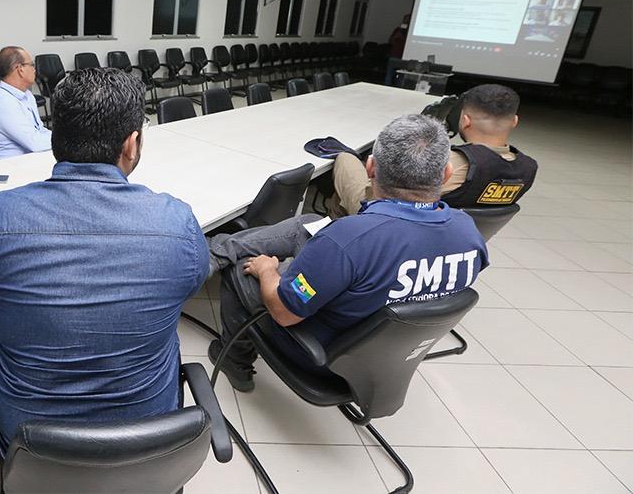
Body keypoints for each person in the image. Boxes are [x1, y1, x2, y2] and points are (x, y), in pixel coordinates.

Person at [0, 68, 208, 452]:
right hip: (146, 445)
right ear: (132, 143)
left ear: (56, 138)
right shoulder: (178, 224)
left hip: (31, 450)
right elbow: (189, 286)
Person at [209, 114, 489, 391]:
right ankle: (218, 249)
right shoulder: (468, 232)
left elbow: (283, 313)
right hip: (379, 361)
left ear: (370, 167)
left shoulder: (348, 239)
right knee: (310, 225)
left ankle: (236, 362)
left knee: (242, 268)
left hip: (318, 356)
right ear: (446, 174)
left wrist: (267, 270)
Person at [328, 84, 537, 217]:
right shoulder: (527, 169)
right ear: (515, 121)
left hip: (391, 221)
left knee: (346, 159)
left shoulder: (451, 163)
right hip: (445, 237)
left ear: (465, 121)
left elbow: (380, 195)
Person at [0, 46, 52, 159]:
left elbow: (40, 130)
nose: (34, 69)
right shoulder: (2, 103)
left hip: (30, 160)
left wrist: (65, 137)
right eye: (32, 65)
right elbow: (35, 143)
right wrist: (68, 141)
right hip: (11, 170)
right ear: (20, 69)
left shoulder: (27, 95)